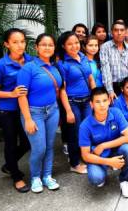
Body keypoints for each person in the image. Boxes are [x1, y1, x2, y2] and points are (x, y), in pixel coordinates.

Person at [17, 33, 62, 193]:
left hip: (52, 110)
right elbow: (21, 95)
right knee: (39, 148)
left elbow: (58, 89)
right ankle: (35, 177)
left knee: (49, 146)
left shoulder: (55, 67)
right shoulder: (28, 68)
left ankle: (47, 176)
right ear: (36, 47)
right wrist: (28, 119)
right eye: (43, 44)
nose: (47, 47)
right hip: (33, 113)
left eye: (50, 45)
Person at [0, 28, 31, 193]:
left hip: (25, 110)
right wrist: (11, 93)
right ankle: (16, 177)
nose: (20, 45)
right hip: (8, 111)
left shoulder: (30, 61)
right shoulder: (1, 65)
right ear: (7, 44)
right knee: (11, 144)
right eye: (15, 42)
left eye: (22, 41)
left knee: (27, 142)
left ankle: (8, 164)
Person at [79, 87, 128, 198]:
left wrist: (103, 145)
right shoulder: (84, 126)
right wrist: (109, 162)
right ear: (91, 104)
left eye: (105, 100)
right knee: (96, 178)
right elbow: (85, 156)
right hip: (98, 156)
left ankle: (124, 180)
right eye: (97, 102)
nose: (102, 105)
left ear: (109, 101)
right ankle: (104, 171)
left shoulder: (116, 112)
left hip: (114, 150)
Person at [57, 31, 96, 174]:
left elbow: (90, 78)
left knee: (86, 130)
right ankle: (74, 163)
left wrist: (95, 98)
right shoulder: (62, 63)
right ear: (63, 46)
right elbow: (62, 90)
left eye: (76, 43)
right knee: (75, 133)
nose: (74, 46)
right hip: (73, 102)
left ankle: (85, 156)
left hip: (87, 101)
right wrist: (67, 110)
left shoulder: (84, 57)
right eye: (70, 44)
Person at [100, 21, 128, 100]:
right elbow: (105, 70)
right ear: (111, 32)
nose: (119, 33)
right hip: (113, 87)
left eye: (122, 30)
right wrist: (110, 90)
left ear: (125, 33)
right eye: (116, 30)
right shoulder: (105, 47)